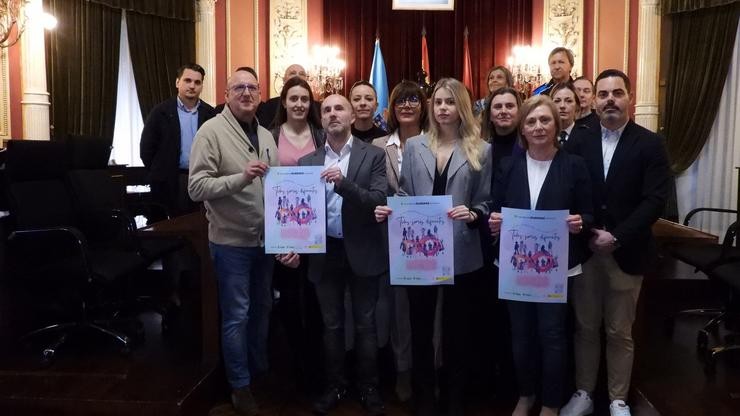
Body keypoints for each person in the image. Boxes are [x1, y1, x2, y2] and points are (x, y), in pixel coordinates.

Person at [375, 77, 491, 416]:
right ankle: (425, 396)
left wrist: (472, 214)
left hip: (462, 252)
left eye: (450, 102)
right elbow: (405, 194)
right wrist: (392, 207)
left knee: (457, 332)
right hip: (419, 253)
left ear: (462, 107)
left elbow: (485, 202)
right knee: (421, 328)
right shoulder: (415, 147)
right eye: (438, 102)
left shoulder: (481, 149)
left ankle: (454, 399)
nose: (442, 108)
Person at [560, 69, 671, 416]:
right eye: (603, 94)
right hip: (586, 250)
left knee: (620, 331)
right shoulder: (579, 139)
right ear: (592, 100)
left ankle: (618, 398)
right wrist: (590, 231)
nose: (610, 100)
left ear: (630, 97)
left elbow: (655, 200)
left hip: (628, 252)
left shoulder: (650, 143)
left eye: (617, 93)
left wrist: (618, 235)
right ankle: (583, 392)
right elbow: (570, 190)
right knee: (585, 327)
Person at [483, 94, 593, 416]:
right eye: (531, 121)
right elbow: (495, 207)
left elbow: (587, 213)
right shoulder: (508, 165)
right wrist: (494, 220)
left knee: (552, 335)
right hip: (515, 265)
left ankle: (551, 402)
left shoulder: (574, 165)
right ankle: (526, 394)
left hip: (555, 267)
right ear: (523, 129)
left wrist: (580, 223)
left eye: (545, 120)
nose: (538, 126)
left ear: (556, 125)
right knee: (520, 335)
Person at [188, 68, 280, 416]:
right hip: (231, 243)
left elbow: (277, 190)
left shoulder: (266, 134)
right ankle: (239, 385)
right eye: (239, 87)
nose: (246, 93)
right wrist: (240, 178)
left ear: (259, 95)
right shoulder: (210, 132)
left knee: (262, 310)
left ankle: (258, 373)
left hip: (264, 242)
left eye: (252, 88)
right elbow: (196, 187)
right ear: (226, 94)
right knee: (237, 315)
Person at [298, 94, 388, 415]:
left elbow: (378, 198)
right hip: (325, 254)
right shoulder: (306, 163)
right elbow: (299, 215)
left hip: (363, 250)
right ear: (320, 120)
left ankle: (368, 387)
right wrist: (292, 246)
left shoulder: (374, 155)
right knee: (332, 326)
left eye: (339, 108)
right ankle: (335, 386)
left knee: (365, 326)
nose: (333, 114)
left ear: (352, 116)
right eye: (326, 110)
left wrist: (343, 183)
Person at [371, 80, 428, 402]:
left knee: (430, 313)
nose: (406, 106)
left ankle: (430, 369)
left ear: (423, 106)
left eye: (413, 100)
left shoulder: (436, 143)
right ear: (391, 108)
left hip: (430, 242)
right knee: (398, 311)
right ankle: (403, 371)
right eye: (400, 101)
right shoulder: (378, 146)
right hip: (390, 242)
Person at [268, 76, 325, 392]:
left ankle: (315, 367)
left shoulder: (322, 134)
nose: (300, 104)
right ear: (284, 103)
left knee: (316, 300)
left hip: (316, 233)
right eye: (294, 99)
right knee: (289, 301)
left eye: (305, 99)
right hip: (283, 233)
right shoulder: (270, 135)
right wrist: (280, 241)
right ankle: (295, 366)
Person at [140, 63, 216, 217]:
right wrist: (161, 170)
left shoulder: (210, 114)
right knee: (171, 229)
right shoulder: (160, 112)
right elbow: (146, 149)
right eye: (187, 80)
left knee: (199, 227)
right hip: (168, 181)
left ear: (202, 86)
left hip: (202, 180)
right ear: (177, 82)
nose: (192, 86)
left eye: (197, 82)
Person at [254, 63, 320, 129]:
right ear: (284, 80)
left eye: (302, 74)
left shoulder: (317, 107)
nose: (297, 76)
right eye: (292, 73)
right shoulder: (270, 105)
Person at [551, 82, 593, 152]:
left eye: (569, 101)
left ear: (577, 106)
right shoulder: (545, 136)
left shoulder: (587, 136)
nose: (562, 106)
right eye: (557, 101)